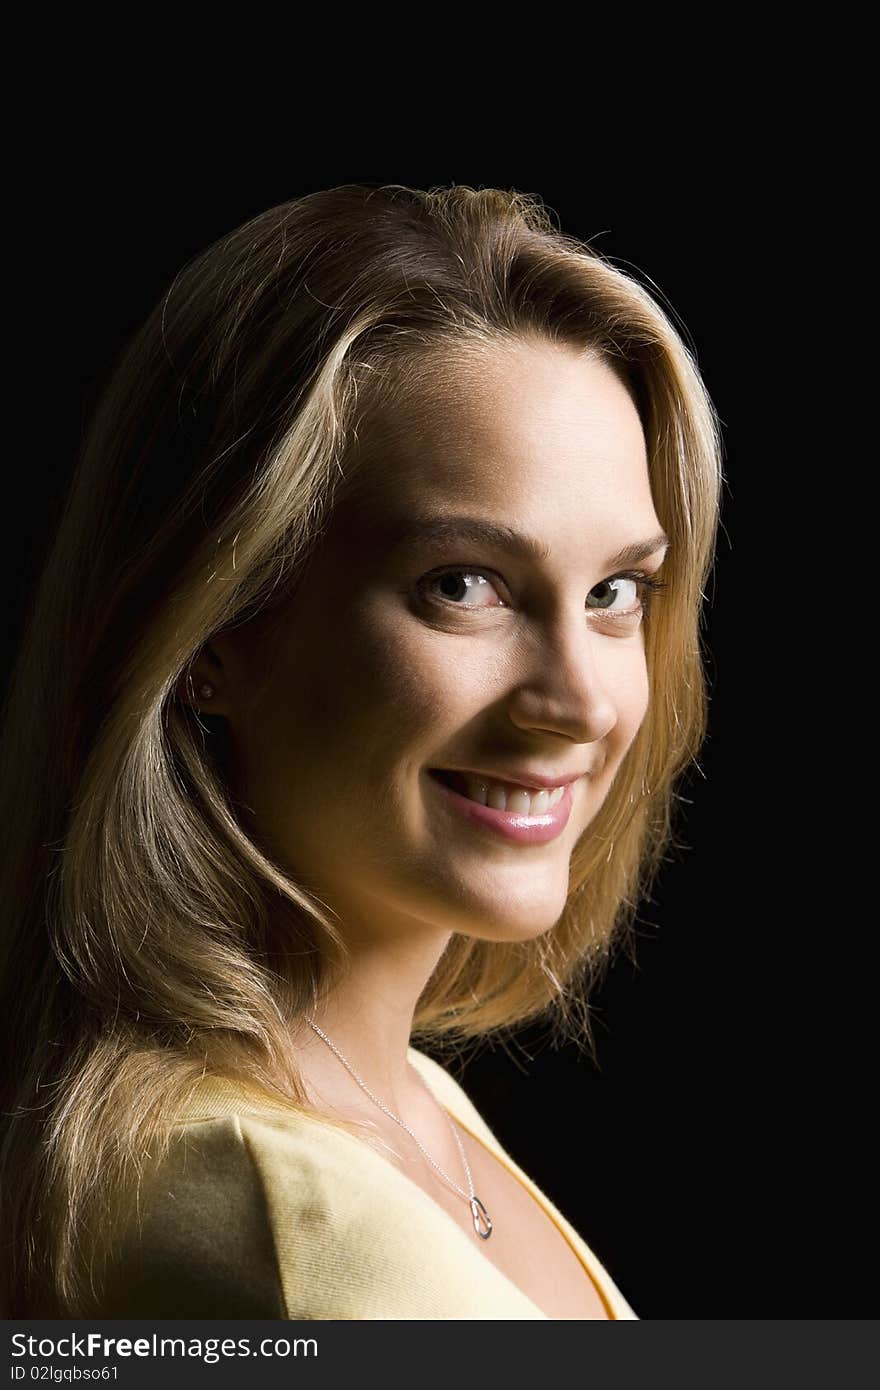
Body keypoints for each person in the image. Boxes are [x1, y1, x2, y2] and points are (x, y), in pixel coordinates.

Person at [0, 183, 722, 1319]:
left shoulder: (406, 1102)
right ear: (212, 631)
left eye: (614, 591)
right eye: (464, 585)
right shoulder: (276, 1215)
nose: (580, 700)